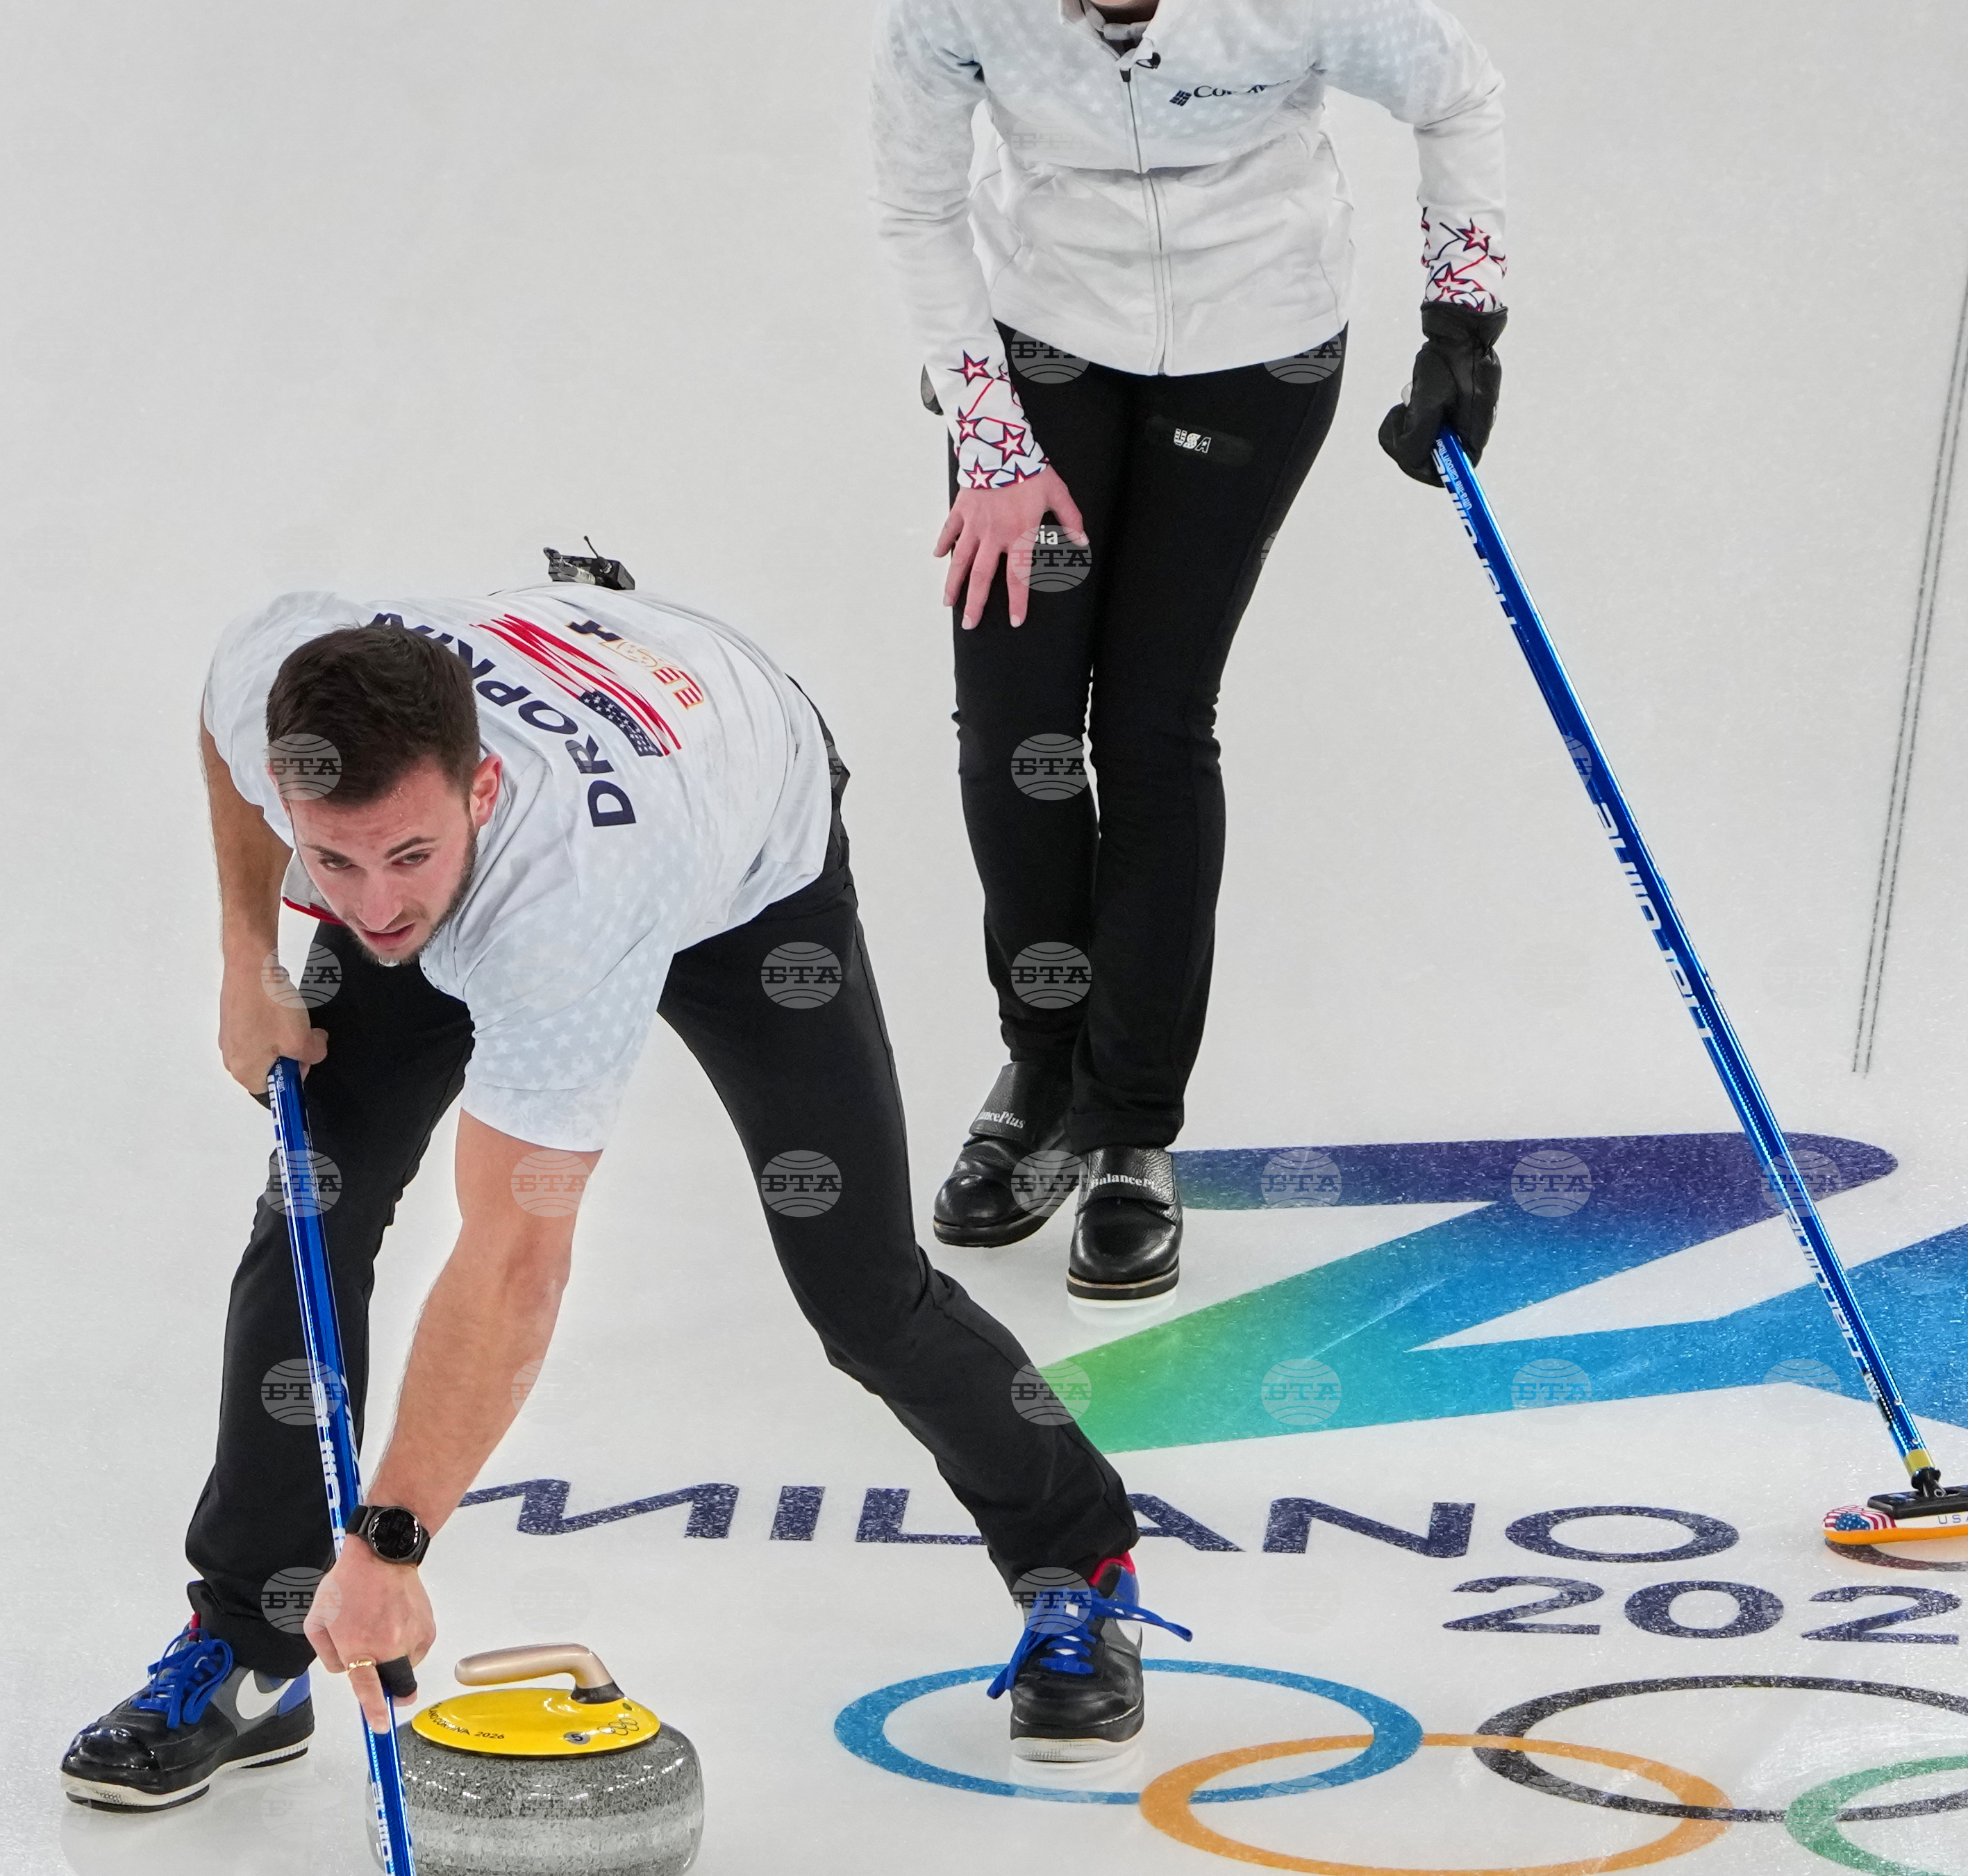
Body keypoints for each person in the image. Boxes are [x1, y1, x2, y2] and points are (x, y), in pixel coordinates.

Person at [62, 562, 1185, 1809]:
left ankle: (1079, 1564)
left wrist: (389, 1545)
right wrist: (246, 952)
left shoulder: (565, 903)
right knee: (311, 1208)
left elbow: (513, 1260)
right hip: (590, 719)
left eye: (408, 855)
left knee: (860, 1287)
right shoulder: (281, 678)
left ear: (479, 787)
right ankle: (253, 1650)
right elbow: (245, 766)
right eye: (334, 857)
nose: (375, 908)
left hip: (738, 844)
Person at [872, 0, 1507, 1310]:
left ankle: (1131, 1128)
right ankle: (1037, 1079)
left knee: (1152, 726)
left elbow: (1458, 92)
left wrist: (1461, 322)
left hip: (1251, 349)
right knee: (1012, 721)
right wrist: (985, 430)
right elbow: (913, 200)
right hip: (1047, 346)